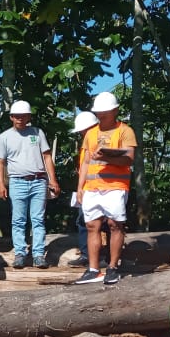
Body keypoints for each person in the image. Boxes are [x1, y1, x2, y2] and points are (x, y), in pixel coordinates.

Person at [74, 92, 138, 285]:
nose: (101, 115)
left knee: (114, 224)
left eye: (105, 112)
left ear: (115, 111)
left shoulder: (125, 131)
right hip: (92, 187)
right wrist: (80, 187)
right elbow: (85, 162)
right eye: (99, 112)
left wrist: (106, 157)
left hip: (115, 186)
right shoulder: (91, 134)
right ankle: (93, 269)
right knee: (92, 225)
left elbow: (129, 158)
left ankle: (112, 267)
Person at [0, 101, 60, 269]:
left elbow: (47, 157)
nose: (20, 119)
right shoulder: (4, 137)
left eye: (23, 116)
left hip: (38, 181)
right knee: (18, 220)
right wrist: (1, 184)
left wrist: (53, 180)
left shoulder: (37, 133)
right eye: (16, 116)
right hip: (17, 182)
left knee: (38, 219)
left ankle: (38, 254)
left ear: (29, 117)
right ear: (11, 118)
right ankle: (20, 254)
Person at [67, 112, 98, 268]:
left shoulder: (101, 142)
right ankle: (86, 255)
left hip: (101, 189)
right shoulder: (85, 145)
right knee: (83, 222)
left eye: (82, 130)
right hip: (86, 189)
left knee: (105, 223)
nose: (80, 133)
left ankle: (103, 256)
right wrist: (80, 189)